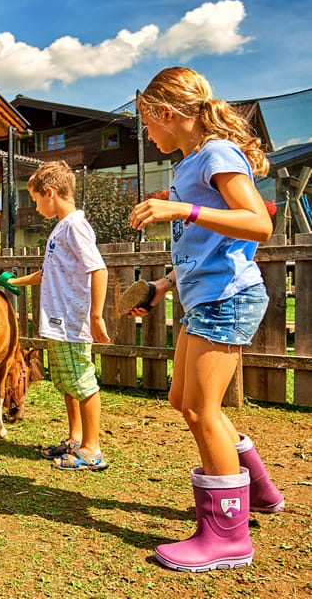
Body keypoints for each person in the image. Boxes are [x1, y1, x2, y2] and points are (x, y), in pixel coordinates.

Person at [128, 67, 282, 573]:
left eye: (147, 123)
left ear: (166, 113)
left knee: (201, 409)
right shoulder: (191, 164)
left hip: (227, 298)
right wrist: (162, 286)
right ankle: (258, 488)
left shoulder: (217, 154)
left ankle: (228, 537)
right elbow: (206, 249)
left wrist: (182, 212)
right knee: (184, 400)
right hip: (204, 299)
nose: (147, 135)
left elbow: (258, 223)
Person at [4, 161, 111, 472]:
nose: (36, 207)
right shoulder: (62, 227)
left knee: (82, 382)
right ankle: (76, 439)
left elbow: (98, 269)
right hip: (57, 323)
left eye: (36, 200)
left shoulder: (76, 226)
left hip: (72, 321)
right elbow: (48, 272)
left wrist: (96, 316)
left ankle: (92, 449)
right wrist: (14, 282)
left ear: (50, 192)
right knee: (67, 383)